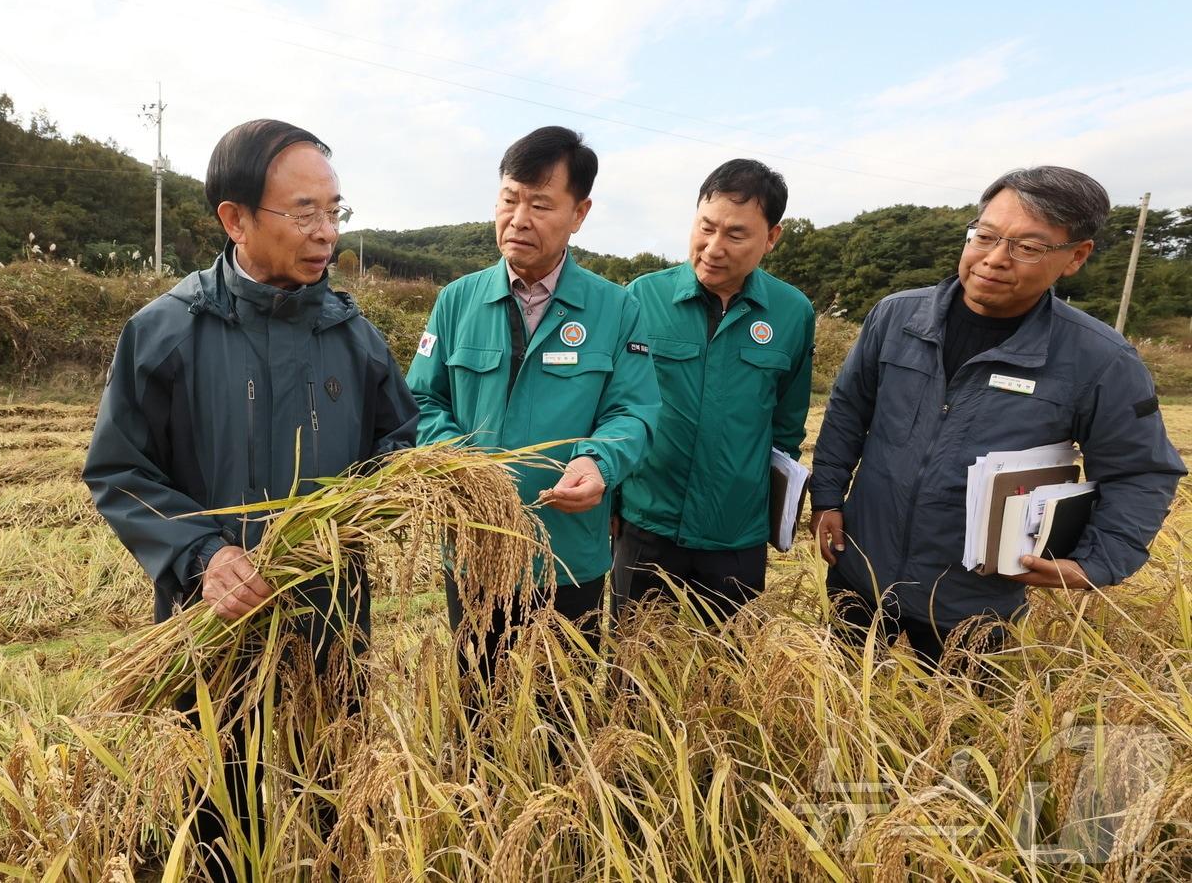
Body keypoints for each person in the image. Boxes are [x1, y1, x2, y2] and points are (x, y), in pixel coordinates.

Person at [82, 119, 418, 878]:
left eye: (335, 211)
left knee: (331, 803)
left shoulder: (355, 336)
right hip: (210, 626)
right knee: (209, 813)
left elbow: (399, 443)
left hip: (329, 621)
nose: (325, 232)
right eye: (303, 212)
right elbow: (121, 470)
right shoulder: (167, 331)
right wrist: (202, 555)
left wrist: (371, 504)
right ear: (234, 219)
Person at [809, 166, 1186, 669]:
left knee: (950, 727)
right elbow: (848, 411)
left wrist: (1096, 561)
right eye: (984, 235)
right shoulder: (897, 317)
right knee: (837, 699)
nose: (993, 258)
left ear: (1076, 256)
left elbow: (1140, 470)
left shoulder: (1099, 359)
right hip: (861, 568)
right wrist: (828, 497)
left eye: (1027, 247)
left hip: (974, 599)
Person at [405, 125, 660, 686]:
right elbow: (421, 400)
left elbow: (634, 412)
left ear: (579, 213)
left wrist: (598, 463)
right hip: (476, 550)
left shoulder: (616, 308)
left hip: (569, 557)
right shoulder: (457, 300)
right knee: (477, 705)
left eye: (540, 204)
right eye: (509, 199)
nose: (518, 217)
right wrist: (462, 465)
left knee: (560, 713)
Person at [613, 159, 813, 624]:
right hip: (647, 522)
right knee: (632, 673)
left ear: (771, 238)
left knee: (723, 674)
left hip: (735, 535)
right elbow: (616, 406)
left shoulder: (791, 312)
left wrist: (769, 512)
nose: (713, 248)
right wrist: (614, 502)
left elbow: (786, 424)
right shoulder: (642, 298)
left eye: (736, 235)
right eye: (706, 227)